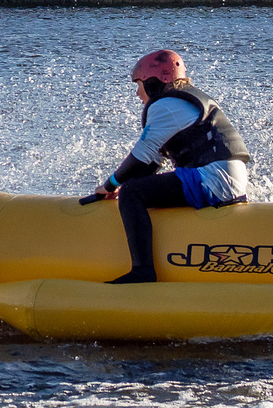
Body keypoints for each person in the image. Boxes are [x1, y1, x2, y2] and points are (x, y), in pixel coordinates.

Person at [84, 50, 251, 283]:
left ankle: (143, 271)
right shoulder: (182, 100)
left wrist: (111, 184)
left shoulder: (166, 105)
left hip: (212, 178)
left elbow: (140, 157)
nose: (137, 93)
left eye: (139, 84)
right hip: (226, 178)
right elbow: (152, 162)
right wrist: (122, 187)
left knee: (132, 192)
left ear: (154, 81)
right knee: (135, 188)